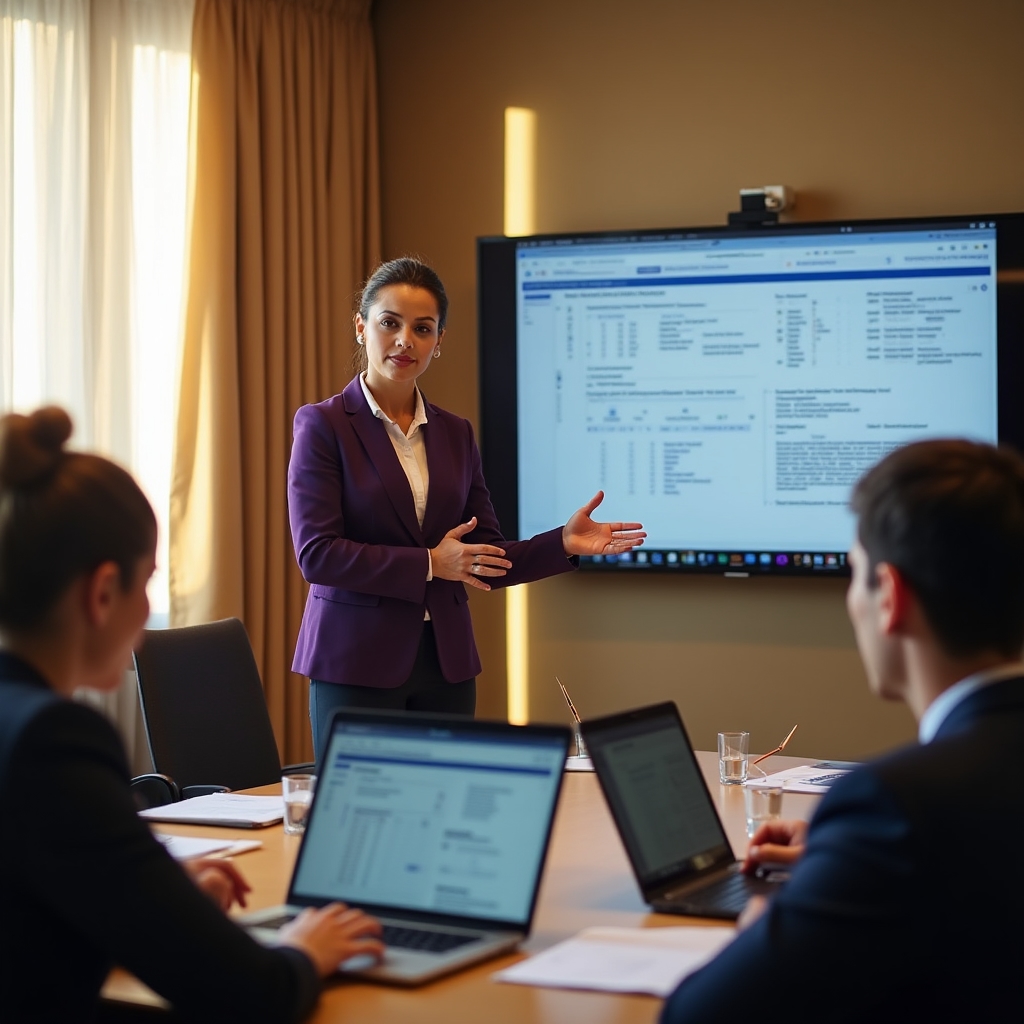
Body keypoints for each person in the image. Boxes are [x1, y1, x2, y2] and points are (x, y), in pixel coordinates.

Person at [0, 407, 384, 1023]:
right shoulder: (53, 739)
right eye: (146, 584)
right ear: (102, 593)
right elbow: (251, 993)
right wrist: (305, 951)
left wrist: (155, 899)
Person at [661, 438, 1024, 1022]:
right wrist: (848, 865)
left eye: (854, 575)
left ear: (891, 598)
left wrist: (764, 929)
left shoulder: (898, 808)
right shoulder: (899, 824)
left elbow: (700, 1015)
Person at [288, 257, 645, 753]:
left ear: (439, 341)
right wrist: (431, 564)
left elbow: (483, 557)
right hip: (355, 663)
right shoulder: (323, 425)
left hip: (446, 666)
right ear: (361, 327)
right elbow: (318, 555)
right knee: (368, 824)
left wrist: (560, 543)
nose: (404, 340)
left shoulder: (455, 433)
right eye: (389, 323)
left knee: (448, 821)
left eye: (423, 328)